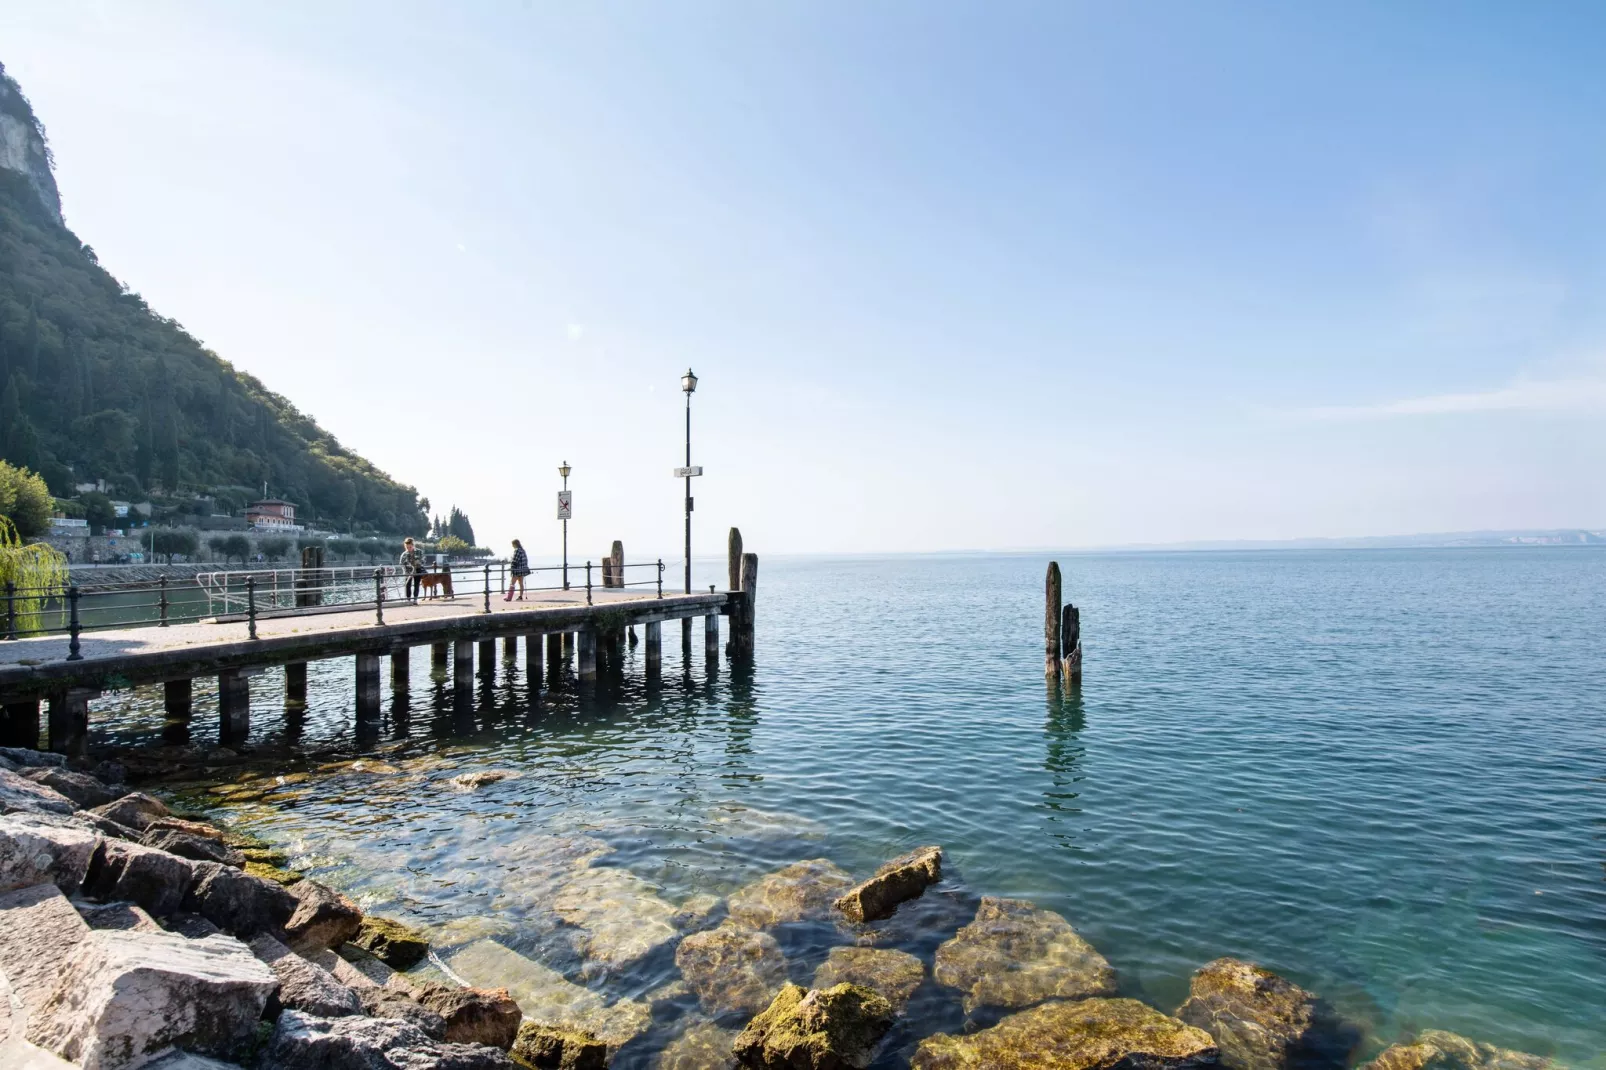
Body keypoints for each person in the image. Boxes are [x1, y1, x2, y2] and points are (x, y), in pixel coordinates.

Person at [399, 537, 424, 601]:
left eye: (410, 547)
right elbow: (401, 564)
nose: (409, 549)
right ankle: (408, 599)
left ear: (413, 545)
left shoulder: (419, 552)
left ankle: (415, 599)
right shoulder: (404, 554)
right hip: (408, 571)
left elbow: (423, 561)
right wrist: (405, 571)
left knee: (416, 585)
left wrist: (418, 562)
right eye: (407, 547)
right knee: (408, 585)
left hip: (417, 569)